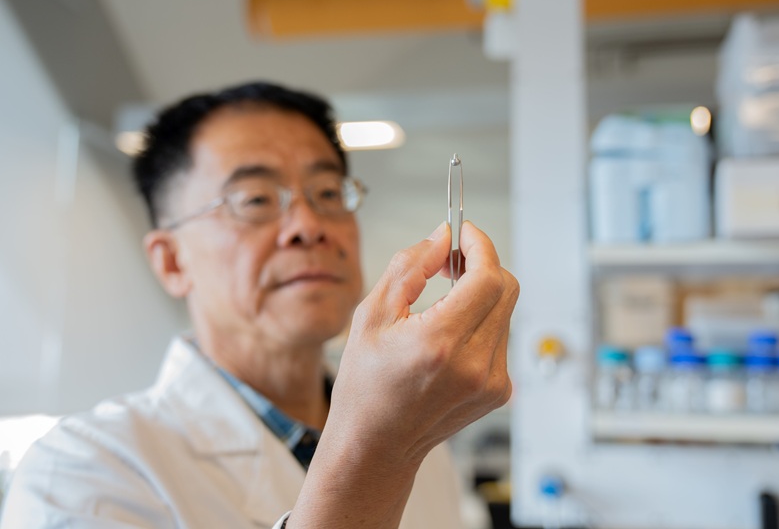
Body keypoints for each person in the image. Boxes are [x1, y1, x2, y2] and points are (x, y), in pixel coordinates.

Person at [1, 82, 519, 529]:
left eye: (327, 193)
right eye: (254, 200)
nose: (309, 226)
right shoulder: (79, 473)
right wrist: (374, 451)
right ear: (171, 261)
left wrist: (389, 440)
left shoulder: (422, 441)